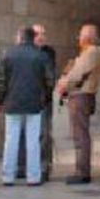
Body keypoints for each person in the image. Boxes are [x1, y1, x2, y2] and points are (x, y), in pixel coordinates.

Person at [0, 25, 55, 187]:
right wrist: (45, 98)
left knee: (11, 140)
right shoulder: (41, 56)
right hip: (34, 104)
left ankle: (8, 176)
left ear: (20, 37)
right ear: (33, 37)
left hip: (12, 103)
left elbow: (0, 80)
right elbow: (50, 81)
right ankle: (33, 177)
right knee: (33, 141)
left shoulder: (9, 54)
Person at [56, 23, 100, 185]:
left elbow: (76, 74)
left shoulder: (91, 52)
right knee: (79, 133)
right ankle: (81, 170)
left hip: (81, 96)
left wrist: (63, 84)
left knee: (80, 134)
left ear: (88, 36)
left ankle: (82, 171)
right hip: (81, 95)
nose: (79, 38)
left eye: (81, 35)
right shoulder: (89, 52)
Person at [16, 23, 57, 182]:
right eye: (37, 34)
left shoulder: (47, 53)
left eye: (43, 34)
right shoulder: (22, 52)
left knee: (43, 134)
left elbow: (50, 78)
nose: (41, 37)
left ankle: (43, 167)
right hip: (24, 99)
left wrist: (44, 95)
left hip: (41, 100)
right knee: (21, 133)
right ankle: (22, 166)